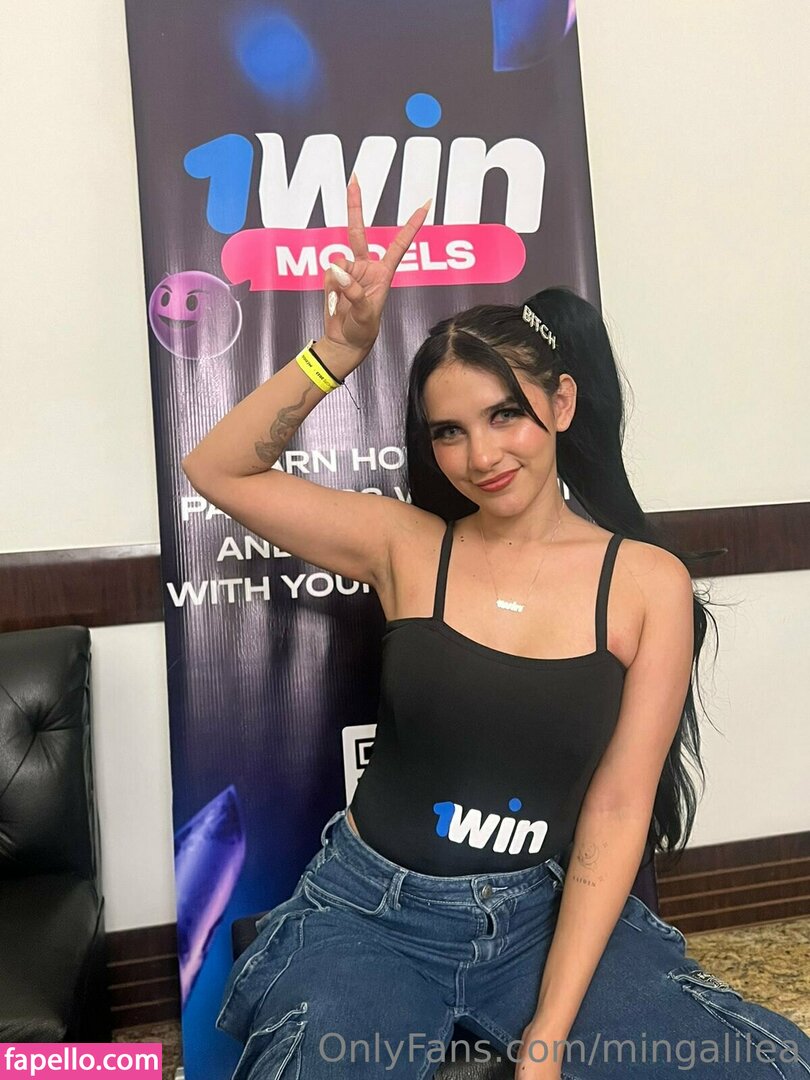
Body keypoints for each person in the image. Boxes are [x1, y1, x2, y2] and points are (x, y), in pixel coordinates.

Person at [182, 179, 810, 1079]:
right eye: (449, 431)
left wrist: (547, 1038)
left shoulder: (646, 584)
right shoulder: (407, 546)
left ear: (561, 403)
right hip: (370, 917)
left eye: (505, 413)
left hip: (538, 919)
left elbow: (617, 808)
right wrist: (338, 350)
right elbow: (218, 470)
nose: (481, 455)